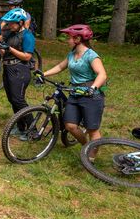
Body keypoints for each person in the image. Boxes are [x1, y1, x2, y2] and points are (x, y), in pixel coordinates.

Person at [37, 24, 107, 159]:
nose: (67, 40)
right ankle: (87, 146)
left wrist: (92, 89)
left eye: (69, 37)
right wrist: (43, 74)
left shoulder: (91, 55)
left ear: (78, 39)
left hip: (91, 95)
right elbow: (60, 66)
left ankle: (90, 158)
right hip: (75, 92)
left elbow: (102, 75)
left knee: (92, 129)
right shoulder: (72, 54)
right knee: (70, 125)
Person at [0, 8, 36, 135]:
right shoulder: (10, 34)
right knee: (12, 99)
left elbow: (27, 56)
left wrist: (10, 49)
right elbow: (4, 52)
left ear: (21, 23)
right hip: (8, 69)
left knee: (18, 100)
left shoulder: (28, 36)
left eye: (12, 23)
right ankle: (21, 127)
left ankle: (33, 130)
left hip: (20, 70)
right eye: (9, 23)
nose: (9, 25)